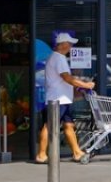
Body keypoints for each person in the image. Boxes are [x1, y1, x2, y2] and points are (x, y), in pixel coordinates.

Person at [35, 31, 95, 163]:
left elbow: (66, 79)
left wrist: (79, 85)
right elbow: (67, 78)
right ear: (62, 44)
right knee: (49, 126)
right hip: (57, 100)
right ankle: (41, 154)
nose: (71, 47)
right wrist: (85, 85)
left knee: (69, 125)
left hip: (62, 99)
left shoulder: (57, 57)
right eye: (69, 44)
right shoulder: (58, 58)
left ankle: (77, 152)